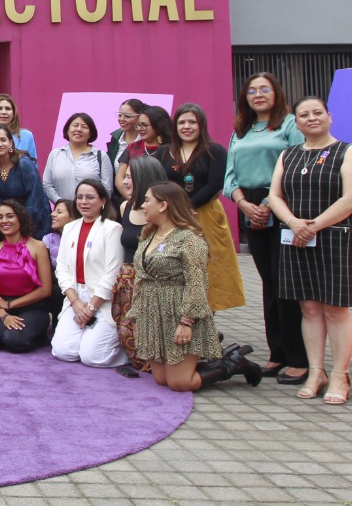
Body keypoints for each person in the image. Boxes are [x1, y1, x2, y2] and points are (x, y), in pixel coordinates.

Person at [268, 96, 352, 407]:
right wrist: (294, 223)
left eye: (317, 113)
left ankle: (340, 375)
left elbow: (351, 200)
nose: (311, 118)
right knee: (309, 309)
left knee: (335, 309)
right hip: (297, 239)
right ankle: (316, 372)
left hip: (335, 238)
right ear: (295, 122)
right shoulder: (289, 154)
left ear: (329, 116)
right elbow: (274, 195)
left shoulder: (347, 152)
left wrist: (315, 225)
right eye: (304, 115)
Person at [126, 182, 258, 392]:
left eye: (147, 200)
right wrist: (136, 315)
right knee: (161, 379)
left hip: (180, 312)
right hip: (155, 312)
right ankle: (209, 361)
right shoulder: (148, 234)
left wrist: (187, 321)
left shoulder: (189, 239)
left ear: (163, 206)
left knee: (179, 383)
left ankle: (231, 362)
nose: (142, 205)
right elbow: (141, 278)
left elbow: (197, 282)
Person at [224, 72, 309, 384]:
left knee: (287, 282)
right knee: (269, 282)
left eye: (265, 89)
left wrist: (272, 204)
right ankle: (277, 353)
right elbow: (229, 176)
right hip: (250, 207)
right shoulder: (241, 130)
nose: (258, 95)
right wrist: (243, 204)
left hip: (284, 205)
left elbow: (298, 165)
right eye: (252, 91)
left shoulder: (289, 124)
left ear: (276, 93)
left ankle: (299, 358)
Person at [157, 104, 244, 315]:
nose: (187, 127)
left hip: (205, 214)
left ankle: (206, 323)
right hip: (170, 217)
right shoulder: (165, 151)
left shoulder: (214, 151)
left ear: (201, 125)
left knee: (208, 267)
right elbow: (159, 182)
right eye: (182, 122)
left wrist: (188, 207)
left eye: (192, 122)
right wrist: (174, 209)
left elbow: (215, 184)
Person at [50, 179, 128, 368]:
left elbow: (112, 273)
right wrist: (75, 302)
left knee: (92, 357)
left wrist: (91, 308)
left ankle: (124, 350)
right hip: (76, 297)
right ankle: (87, 337)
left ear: (102, 201)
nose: (84, 202)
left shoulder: (112, 229)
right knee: (62, 351)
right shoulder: (70, 227)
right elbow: (61, 268)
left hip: (101, 300)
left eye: (90, 197)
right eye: (80, 197)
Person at [112, 156, 167, 375]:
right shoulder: (125, 206)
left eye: (129, 178)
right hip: (126, 281)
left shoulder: (162, 212)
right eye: (124, 177)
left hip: (152, 283)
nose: (124, 182)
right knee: (128, 335)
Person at [0, 201, 54, 353]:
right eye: (0, 217)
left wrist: (10, 306)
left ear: (20, 218)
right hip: (2, 305)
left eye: (10, 216)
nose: (4, 221)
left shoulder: (38, 247)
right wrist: (3, 313)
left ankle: (39, 334)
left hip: (33, 306)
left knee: (13, 341)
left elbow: (45, 290)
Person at [0, 126, 50, 245]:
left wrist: (23, 226)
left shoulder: (23, 164)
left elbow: (35, 198)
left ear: (10, 143)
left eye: (3, 140)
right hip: (7, 221)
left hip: (30, 222)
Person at [41, 112, 114, 205]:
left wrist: (88, 204)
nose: (79, 129)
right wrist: (60, 202)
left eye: (84, 127)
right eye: (75, 125)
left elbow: (107, 189)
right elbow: (47, 184)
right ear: (67, 130)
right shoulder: (55, 154)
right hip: (64, 214)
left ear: (90, 133)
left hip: (91, 212)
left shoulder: (101, 156)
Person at [115, 105, 174, 190]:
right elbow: (119, 179)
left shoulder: (171, 150)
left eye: (144, 125)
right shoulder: (132, 147)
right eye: (139, 125)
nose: (140, 129)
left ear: (158, 125)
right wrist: (132, 199)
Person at [0, 94, 38, 159]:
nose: (4, 112)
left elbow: (33, 165)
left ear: (13, 113)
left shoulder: (27, 136)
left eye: (7, 109)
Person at [106, 99, 147, 166]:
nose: (121, 119)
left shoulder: (146, 139)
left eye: (127, 116)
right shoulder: (116, 139)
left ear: (140, 117)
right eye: (120, 115)